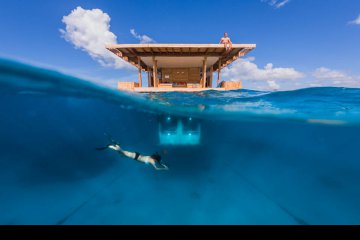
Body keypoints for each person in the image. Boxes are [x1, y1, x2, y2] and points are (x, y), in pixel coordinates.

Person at [96, 135, 169, 171]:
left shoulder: (152, 157)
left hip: (136, 155)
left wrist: (163, 164)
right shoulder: (152, 161)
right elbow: (156, 168)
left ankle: (116, 144)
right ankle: (112, 146)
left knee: (121, 154)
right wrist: (164, 168)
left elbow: (159, 158)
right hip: (135, 156)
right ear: (156, 160)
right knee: (121, 152)